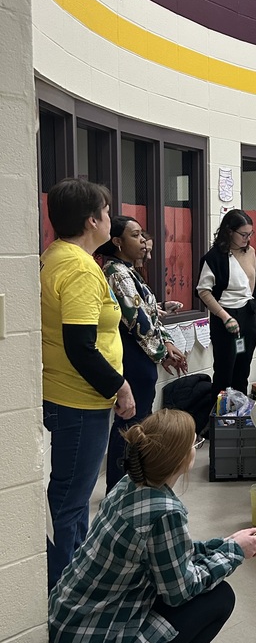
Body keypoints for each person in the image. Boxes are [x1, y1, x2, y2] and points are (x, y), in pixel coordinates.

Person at [48, 408, 256, 643]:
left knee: (197, 590)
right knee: (218, 599)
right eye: (194, 443)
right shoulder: (164, 511)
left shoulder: (129, 486)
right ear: (183, 459)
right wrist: (235, 553)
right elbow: (180, 589)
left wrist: (221, 545)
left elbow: (169, 556)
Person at [40, 178, 136, 590]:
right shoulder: (79, 268)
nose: (110, 217)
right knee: (70, 501)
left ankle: (71, 579)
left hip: (68, 396)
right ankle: (66, 593)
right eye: (106, 210)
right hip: (79, 402)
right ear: (92, 219)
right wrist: (119, 386)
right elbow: (80, 345)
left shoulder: (56, 256)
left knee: (69, 498)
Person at [97, 216, 188, 492]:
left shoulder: (129, 270)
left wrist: (167, 342)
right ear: (117, 241)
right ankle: (118, 486)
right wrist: (163, 353)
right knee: (130, 423)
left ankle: (133, 480)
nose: (143, 242)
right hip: (133, 357)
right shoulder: (116, 272)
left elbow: (149, 313)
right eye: (135, 236)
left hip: (143, 355)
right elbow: (138, 321)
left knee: (140, 420)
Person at [197, 210, 256, 398]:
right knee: (225, 371)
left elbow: (254, 284)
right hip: (225, 316)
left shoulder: (251, 252)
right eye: (243, 234)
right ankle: (220, 420)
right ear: (229, 232)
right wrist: (225, 317)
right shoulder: (214, 257)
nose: (247, 239)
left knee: (243, 369)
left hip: (248, 315)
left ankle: (239, 416)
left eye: (250, 234)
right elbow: (203, 291)